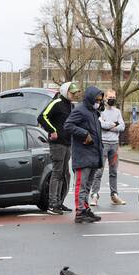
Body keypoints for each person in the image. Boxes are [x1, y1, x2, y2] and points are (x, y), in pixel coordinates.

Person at [64, 85, 105, 223]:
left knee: (87, 186)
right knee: (81, 185)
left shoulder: (93, 112)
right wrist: (84, 134)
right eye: (97, 99)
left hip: (93, 155)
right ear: (90, 98)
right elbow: (68, 125)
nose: (98, 102)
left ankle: (85, 209)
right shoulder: (80, 110)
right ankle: (80, 212)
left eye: (100, 100)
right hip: (83, 155)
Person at [37, 82, 78, 215]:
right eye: (72, 92)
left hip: (67, 144)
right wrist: (52, 130)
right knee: (57, 172)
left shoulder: (71, 106)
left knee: (65, 174)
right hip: (57, 144)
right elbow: (42, 116)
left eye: (75, 92)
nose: (74, 94)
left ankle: (59, 202)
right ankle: (52, 204)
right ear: (65, 91)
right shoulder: (57, 102)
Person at [89, 89, 126, 206]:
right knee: (98, 171)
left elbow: (123, 126)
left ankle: (114, 195)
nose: (112, 99)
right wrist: (114, 124)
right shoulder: (100, 111)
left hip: (114, 145)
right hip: (103, 144)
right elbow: (100, 125)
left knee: (113, 171)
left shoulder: (117, 112)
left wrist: (110, 126)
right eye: (110, 97)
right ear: (105, 98)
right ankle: (94, 195)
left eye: (113, 97)